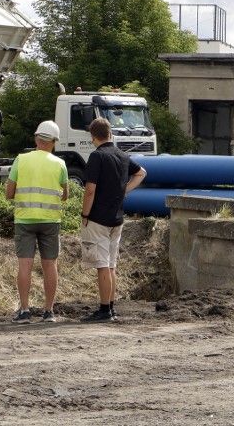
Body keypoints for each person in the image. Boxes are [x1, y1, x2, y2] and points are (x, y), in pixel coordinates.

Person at [80, 117, 147, 322]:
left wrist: (84, 215)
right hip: (117, 217)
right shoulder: (122, 155)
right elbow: (142, 173)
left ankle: (103, 310)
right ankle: (111, 306)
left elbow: (90, 190)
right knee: (111, 265)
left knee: (102, 265)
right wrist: (123, 191)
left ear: (93, 137)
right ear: (111, 134)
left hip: (98, 217)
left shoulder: (96, 157)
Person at [5, 120, 69, 324]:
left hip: (24, 219)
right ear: (55, 142)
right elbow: (65, 195)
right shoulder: (60, 164)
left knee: (25, 265)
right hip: (50, 220)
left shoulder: (20, 160)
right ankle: (48, 312)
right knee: (50, 265)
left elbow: (9, 193)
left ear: (36, 138)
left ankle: (24, 311)